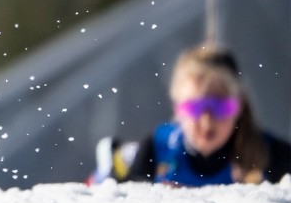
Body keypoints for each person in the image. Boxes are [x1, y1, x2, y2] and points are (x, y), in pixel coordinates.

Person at [93, 44, 291, 185]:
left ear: (238, 106)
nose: (206, 121)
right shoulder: (157, 149)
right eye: (194, 108)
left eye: (220, 107)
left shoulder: (270, 155)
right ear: (176, 108)